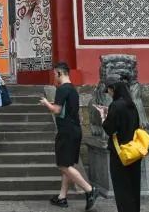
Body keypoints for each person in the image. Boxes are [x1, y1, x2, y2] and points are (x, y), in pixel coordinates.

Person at [40, 62, 99, 210]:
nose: (54, 77)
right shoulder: (72, 89)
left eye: (55, 74)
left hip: (66, 131)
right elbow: (66, 107)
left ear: (60, 73)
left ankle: (90, 190)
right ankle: (62, 197)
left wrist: (46, 103)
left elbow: (56, 110)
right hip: (75, 130)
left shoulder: (61, 89)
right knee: (68, 165)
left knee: (63, 165)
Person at [95, 79, 141, 212]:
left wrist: (103, 116)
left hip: (119, 153)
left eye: (109, 90)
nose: (109, 94)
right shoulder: (131, 105)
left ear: (113, 89)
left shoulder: (115, 105)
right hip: (133, 151)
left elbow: (110, 129)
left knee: (121, 187)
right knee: (133, 186)